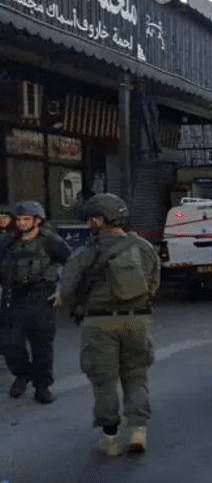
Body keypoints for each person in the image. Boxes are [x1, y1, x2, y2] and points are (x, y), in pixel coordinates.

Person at [60, 193, 160, 456]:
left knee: (104, 381)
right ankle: (138, 432)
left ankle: (111, 438)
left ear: (97, 220)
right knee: (136, 375)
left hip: (99, 322)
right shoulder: (143, 246)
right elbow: (153, 281)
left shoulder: (86, 252)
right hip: (137, 319)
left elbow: (67, 288)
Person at [0, 201, 72, 404]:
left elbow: (71, 264)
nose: (21, 223)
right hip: (13, 298)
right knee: (9, 343)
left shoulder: (50, 241)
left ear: (37, 220)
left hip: (41, 298)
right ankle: (23, 374)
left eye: (26, 219)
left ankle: (42, 386)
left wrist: (61, 290)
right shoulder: (7, 242)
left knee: (41, 346)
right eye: (19, 219)